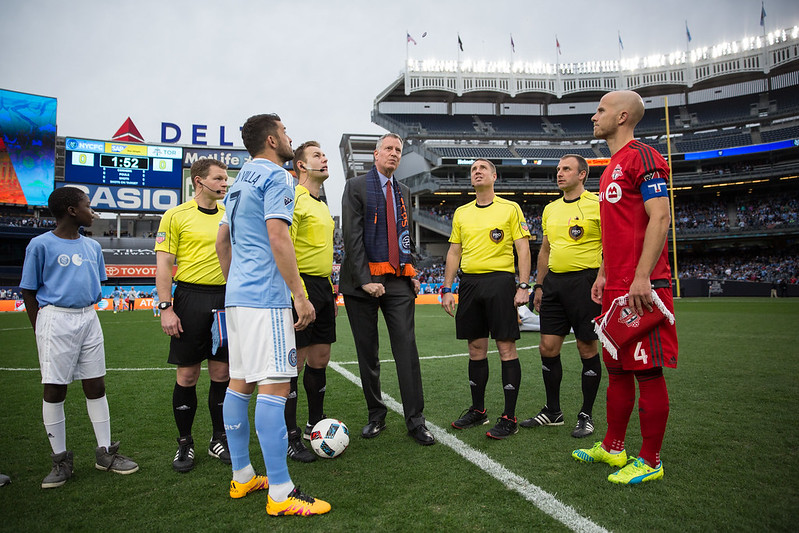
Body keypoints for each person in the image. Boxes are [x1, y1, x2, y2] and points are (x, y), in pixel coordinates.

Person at [216, 113, 330, 516]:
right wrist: (299, 295)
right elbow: (278, 236)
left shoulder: (238, 181)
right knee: (276, 388)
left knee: (239, 382)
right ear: (271, 139)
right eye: (284, 132)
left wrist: (236, 286)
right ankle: (281, 493)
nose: (289, 138)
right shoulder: (278, 177)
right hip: (266, 299)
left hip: (238, 299)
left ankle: (243, 474)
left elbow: (222, 240)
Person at [572, 90, 678, 485]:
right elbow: (617, 232)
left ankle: (650, 460)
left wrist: (641, 276)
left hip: (641, 287)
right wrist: (603, 273)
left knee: (647, 371)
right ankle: (614, 447)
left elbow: (660, 216)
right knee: (616, 368)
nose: (593, 117)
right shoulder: (611, 166)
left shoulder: (644, 156)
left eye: (600, 110)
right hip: (616, 285)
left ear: (621, 117)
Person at [20, 187, 139, 489]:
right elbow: (29, 291)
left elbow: (96, 285)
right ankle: (60, 459)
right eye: (88, 206)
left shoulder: (92, 247)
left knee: (96, 384)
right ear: (72, 211)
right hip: (55, 318)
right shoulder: (40, 245)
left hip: (89, 317)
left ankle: (105, 453)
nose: (93, 211)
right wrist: (40, 328)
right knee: (55, 389)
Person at [340, 133, 434, 446]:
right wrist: (366, 278)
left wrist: (412, 271)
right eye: (389, 149)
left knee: (407, 350)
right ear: (376, 154)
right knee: (368, 355)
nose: (394, 154)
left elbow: (404, 235)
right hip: (361, 283)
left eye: (398, 150)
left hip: (397, 281)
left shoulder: (403, 190)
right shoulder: (355, 186)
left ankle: (416, 421)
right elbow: (351, 236)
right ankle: (375, 415)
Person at [441, 158, 531, 439]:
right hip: (469, 284)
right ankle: (478, 411)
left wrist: (524, 285)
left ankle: (509, 417)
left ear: (494, 175)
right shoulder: (461, 213)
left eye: (482, 168)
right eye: (473, 169)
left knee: (506, 348)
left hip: (500, 282)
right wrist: (446, 288)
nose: (477, 171)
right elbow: (454, 252)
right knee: (476, 349)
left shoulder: (510, 208)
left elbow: (523, 249)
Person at [154, 159, 231, 473]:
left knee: (222, 374)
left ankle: (219, 438)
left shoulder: (230, 214)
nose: (225, 184)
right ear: (199, 181)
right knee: (187, 375)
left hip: (226, 299)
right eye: (219, 178)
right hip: (188, 298)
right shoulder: (175, 215)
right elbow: (163, 264)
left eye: (226, 179)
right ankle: (185, 443)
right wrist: (165, 306)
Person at [520, 154, 603, 438]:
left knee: (586, 348)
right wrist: (539, 286)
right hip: (554, 283)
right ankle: (552, 411)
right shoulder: (551, 209)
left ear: (582, 174)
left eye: (566, 169)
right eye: (558, 169)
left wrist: (602, 278)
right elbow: (544, 250)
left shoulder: (598, 204)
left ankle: (586, 415)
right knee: (548, 347)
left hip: (586, 282)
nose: (559, 173)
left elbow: (612, 246)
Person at [283, 141, 337, 463]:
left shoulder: (321, 204)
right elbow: (284, 249)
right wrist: (297, 294)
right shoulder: (295, 199)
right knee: (296, 362)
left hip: (323, 288)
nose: (325, 158)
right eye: (317, 155)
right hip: (299, 287)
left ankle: (313, 425)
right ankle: (290, 436)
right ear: (301, 165)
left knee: (320, 358)